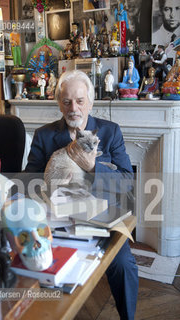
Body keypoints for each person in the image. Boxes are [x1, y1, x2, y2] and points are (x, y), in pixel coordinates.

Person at [25, 70, 138, 319]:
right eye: (66, 102)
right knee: (32, 257)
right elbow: (28, 181)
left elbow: (128, 181)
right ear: (59, 104)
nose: (73, 108)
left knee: (124, 265)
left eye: (79, 101)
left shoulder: (110, 132)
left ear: (91, 101)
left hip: (101, 218)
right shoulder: (44, 135)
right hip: (56, 219)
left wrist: (92, 168)